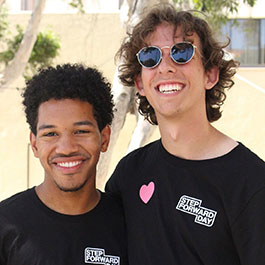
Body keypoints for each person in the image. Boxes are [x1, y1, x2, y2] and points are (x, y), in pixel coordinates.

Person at [105, 3, 265, 265]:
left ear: (210, 75)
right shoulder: (129, 174)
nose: (165, 67)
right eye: (150, 57)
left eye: (181, 53)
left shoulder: (251, 182)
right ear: (139, 84)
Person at [0, 64, 128, 265]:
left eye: (81, 131)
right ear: (35, 144)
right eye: (51, 134)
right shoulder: (5, 225)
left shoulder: (130, 224)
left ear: (104, 138)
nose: (66, 148)